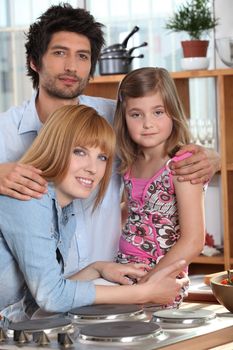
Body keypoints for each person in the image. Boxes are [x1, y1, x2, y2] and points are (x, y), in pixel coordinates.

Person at [0, 3, 220, 276]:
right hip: (33, 303)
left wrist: (210, 155)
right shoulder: (5, 132)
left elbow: (163, 139)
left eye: (83, 56)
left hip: (111, 290)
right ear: (34, 61)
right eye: (59, 53)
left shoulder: (116, 116)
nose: (71, 66)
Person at [0, 104, 188, 322]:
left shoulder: (63, 211)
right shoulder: (29, 199)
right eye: (80, 152)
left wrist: (97, 269)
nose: (93, 168)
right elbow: (50, 297)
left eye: (102, 157)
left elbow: (35, 299)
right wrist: (144, 292)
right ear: (55, 147)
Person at [114, 67, 206, 307]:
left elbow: (194, 240)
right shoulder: (130, 163)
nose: (148, 124)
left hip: (160, 281)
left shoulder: (182, 166)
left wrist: (149, 282)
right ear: (124, 117)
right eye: (136, 114)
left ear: (173, 113)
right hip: (124, 273)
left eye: (158, 112)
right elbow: (135, 210)